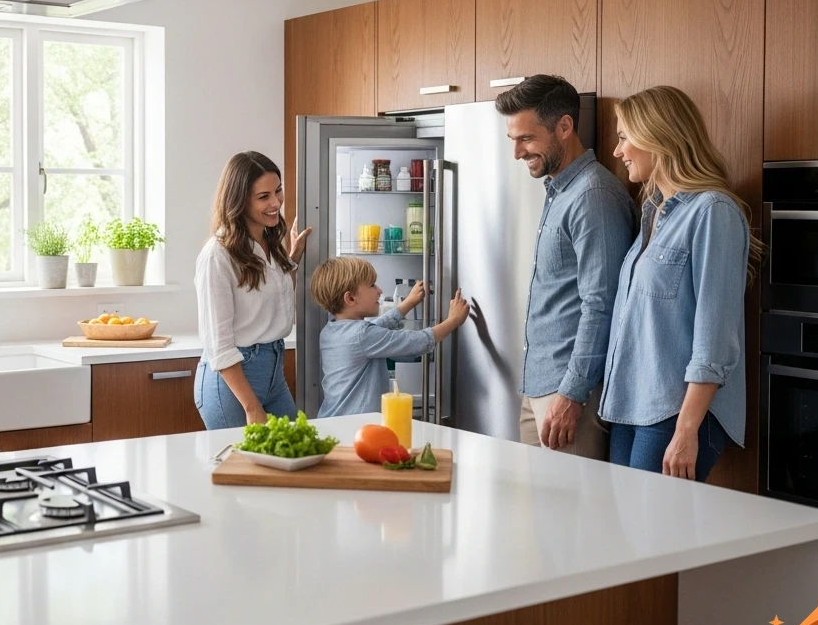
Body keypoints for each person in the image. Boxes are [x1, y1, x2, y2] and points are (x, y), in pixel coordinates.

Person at [598, 85, 759, 481]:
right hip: (629, 405)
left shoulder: (713, 212)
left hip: (675, 413)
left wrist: (687, 432)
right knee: (628, 538)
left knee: (652, 537)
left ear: (659, 136)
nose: (617, 151)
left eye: (624, 138)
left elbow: (715, 340)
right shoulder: (653, 212)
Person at [496, 75, 637, 459]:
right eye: (513, 140)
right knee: (540, 518)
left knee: (574, 518)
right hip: (539, 386)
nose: (517, 153)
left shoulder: (593, 195)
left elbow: (602, 304)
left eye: (526, 138)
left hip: (569, 395)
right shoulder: (561, 189)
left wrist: (571, 395)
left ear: (564, 126)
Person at [194, 151, 311, 430]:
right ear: (239, 201)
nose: (275, 203)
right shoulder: (218, 255)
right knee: (242, 470)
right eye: (263, 197)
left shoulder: (269, 242)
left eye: (278, 191)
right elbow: (219, 346)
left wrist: (290, 261)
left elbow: (272, 298)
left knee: (292, 460)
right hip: (234, 382)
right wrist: (251, 405)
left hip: (274, 371)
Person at [310, 258, 470, 417]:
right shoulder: (363, 335)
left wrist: (408, 303)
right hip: (356, 426)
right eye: (372, 285)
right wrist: (453, 321)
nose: (379, 290)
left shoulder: (330, 330)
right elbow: (417, 342)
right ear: (350, 298)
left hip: (332, 420)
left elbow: (376, 327)